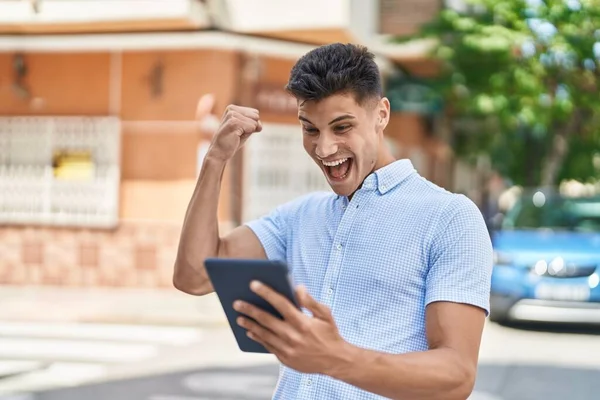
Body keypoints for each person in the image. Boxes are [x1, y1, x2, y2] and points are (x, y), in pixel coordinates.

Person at [173, 43, 493, 400]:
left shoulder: (450, 218)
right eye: (310, 129)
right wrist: (215, 159)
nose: (324, 149)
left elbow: (456, 376)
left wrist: (336, 358)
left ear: (381, 114)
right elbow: (194, 276)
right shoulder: (298, 217)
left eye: (341, 127)